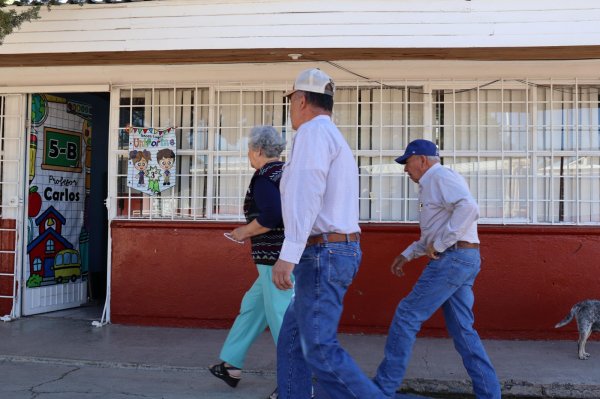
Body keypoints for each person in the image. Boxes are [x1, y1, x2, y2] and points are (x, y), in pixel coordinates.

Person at [272, 68, 386, 399]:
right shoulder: (330, 135)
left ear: (301, 99)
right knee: (294, 340)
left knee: (319, 349)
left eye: (291, 101)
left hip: (323, 253)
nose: (291, 108)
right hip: (333, 252)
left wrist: (288, 255)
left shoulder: (312, 133)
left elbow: (306, 194)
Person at [373, 139, 502, 399]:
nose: (405, 169)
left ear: (422, 160)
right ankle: (490, 394)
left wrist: (441, 245)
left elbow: (469, 208)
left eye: (407, 162)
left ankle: (381, 390)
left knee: (406, 316)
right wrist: (408, 254)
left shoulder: (439, 176)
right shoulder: (429, 184)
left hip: (453, 259)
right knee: (463, 330)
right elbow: (434, 232)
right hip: (461, 258)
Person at [209, 125, 291, 399]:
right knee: (253, 307)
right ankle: (231, 365)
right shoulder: (287, 172)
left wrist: (242, 233)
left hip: (275, 261)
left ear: (258, 151)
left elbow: (271, 216)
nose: (248, 156)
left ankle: (295, 386)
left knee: (282, 321)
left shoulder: (265, 176)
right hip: (279, 257)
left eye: (248, 150)